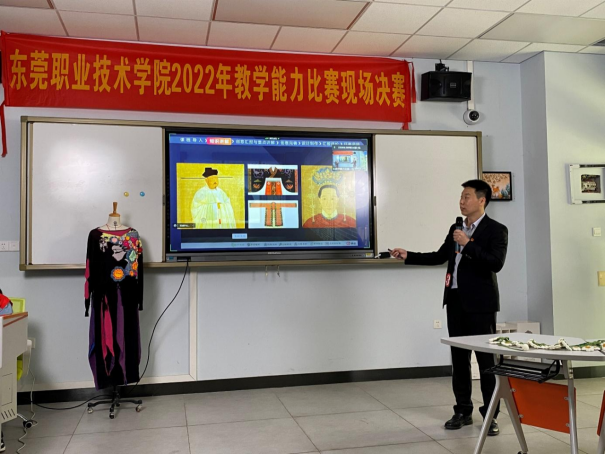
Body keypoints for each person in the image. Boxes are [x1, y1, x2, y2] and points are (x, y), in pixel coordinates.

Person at [390, 179, 508, 437]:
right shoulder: (456, 228)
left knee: (486, 362)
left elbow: (495, 263)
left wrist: (468, 243)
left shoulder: (496, 230)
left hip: (481, 305)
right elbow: (439, 256)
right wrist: (409, 255)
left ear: (481, 200)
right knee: (459, 360)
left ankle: (490, 415)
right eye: (461, 197)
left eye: (467, 196)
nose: (461, 201)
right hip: (455, 301)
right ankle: (462, 411)